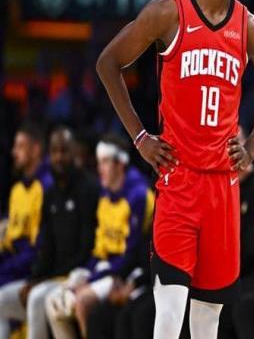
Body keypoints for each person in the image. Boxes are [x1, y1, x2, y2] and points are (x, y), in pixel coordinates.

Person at [95, 0, 254, 339]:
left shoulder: (251, 29)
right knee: (168, 315)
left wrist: (252, 148)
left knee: (207, 324)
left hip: (222, 187)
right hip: (178, 179)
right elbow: (108, 63)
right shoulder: (168, 12)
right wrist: (140, 137)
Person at [45, 134, 150, 339]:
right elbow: (99, 249)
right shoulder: (104, 196)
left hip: (124, 272)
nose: (99, 169)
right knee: (54, 301)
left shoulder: (139, 196)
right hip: (106, 269)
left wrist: (93, 278)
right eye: (99, 162)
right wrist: (86, 272)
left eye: (104, 162)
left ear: (120, 164)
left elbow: (132, 253)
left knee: (82, 302)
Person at [0, 126, 99, 339]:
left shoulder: (89, 189)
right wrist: (34, 278)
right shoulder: (51, 193)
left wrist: (42, 280)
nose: (59, 157)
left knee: (37, 298)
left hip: (79, 274)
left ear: (75, 152)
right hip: (52, 277)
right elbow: (46, 245)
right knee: (3, 300)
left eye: (64, 151)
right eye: (54, 152)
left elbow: (86, 248)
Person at [0, 123, 52, 339]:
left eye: (20, 146)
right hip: (13, 263)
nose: (14, 152)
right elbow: (8, 238)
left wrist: (6, 267)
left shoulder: (47, 187)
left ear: (36, 149)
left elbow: (39, 247)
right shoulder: (17, 190)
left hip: (30, 267)